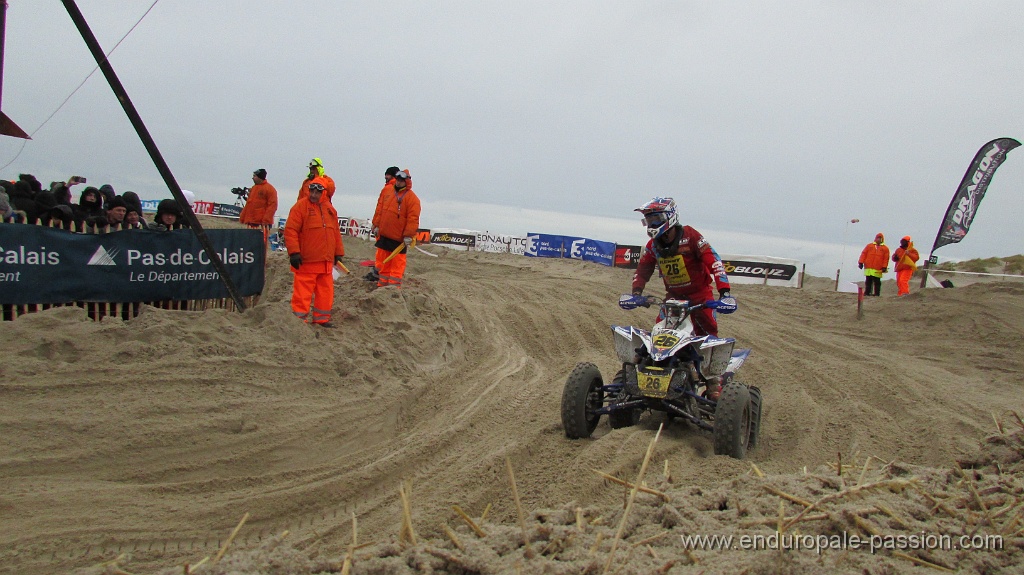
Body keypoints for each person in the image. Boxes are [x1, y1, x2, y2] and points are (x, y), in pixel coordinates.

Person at [630, 197, 736, 397]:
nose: (651, 225)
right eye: (648, 220)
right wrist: (637, 292)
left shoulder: (691, 236)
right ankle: (637, 374)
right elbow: (644, 268)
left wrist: (725, 293)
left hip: (701, 296)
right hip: (673, 299)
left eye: (655, 219)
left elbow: (713, 260)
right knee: (658, 337)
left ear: (670, 217)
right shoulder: (653, 245)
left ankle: (714, 384)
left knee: (708, 336)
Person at [284, 179, 345, 327]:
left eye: (318, 191)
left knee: (325, 292)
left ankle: (321, 319)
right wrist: (294, 252)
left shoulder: (330, 209)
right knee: (302, 293)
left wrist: (338, 252)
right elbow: (290, 230)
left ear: (324, 193)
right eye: (312, 190)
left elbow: (335, 232)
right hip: (307, 261)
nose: (314, 194)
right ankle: (299, 321)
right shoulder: (300, 207)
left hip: (326, 261)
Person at [371, 169, 420, 288]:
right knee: (384, 263)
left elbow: (413, 219)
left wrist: (408, 235)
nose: (398, 182)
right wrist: (376, 224)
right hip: (384, 235)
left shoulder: (412, 199)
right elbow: (380, 209)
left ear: (407, 181)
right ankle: (381, 286)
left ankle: (393, 289)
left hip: (398, 240)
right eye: (397, 180)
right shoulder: (388, 191)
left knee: (397, 265)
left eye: (401, 180)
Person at [365, 166, 401, 282]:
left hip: (384, 227)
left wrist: (376, 223)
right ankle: (381, 274)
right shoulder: (397, 190)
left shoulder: (388, 189)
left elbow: (380, 209)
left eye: (388, 175)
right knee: (388, 255)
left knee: (382, 253)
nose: (386, 177)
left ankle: (377, 274)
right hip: (392, 228)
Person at [238, 168, 279, 239]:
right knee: (248, 243)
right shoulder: (254, 188)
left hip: (262, 224)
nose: (252, 178)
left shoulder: (270, 189)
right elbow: (249, 204)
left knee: (260, 244)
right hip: (251, 222)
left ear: (260, 177)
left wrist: (266, 220)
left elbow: (273, 205)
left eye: (254, 176)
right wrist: (243, 217)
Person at [858, 232, 890, 296]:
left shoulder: (885, 248)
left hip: (878, 268)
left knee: (877, 282)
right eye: (877, 238)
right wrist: (861, 262)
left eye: (880, 238)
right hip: (868, 267)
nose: (878, 239)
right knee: (868, 281)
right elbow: (864, 254)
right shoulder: (869, 246)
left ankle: (877, 293)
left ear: (882, 239)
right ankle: (867, 292)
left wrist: (884, 267)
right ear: (875, 238)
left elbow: (886, 258)